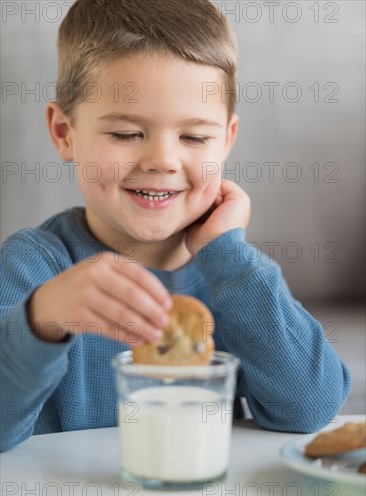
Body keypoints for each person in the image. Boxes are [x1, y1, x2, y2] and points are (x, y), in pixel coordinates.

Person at [0, 0, 350, 452]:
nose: (163, 160)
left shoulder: (233, 279)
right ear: (65, 133)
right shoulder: (34, 268)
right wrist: (43, 320)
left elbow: (310, 410)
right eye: (126, 134)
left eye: (194, 137)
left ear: (225, 140)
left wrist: (228, 254)